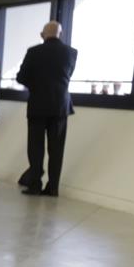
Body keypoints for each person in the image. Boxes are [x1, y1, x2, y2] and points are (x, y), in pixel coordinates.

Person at [15, 20, 77, 197]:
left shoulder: (33, 52)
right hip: (60, 106)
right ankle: (53, 187)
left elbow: (21, 77)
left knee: (35, 147)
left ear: (42, 35)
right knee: (57, 149)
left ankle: (35, 185)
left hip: (38, 104)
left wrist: (36, 85)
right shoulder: (71, 52)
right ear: (61, 34)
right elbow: (67, 75)